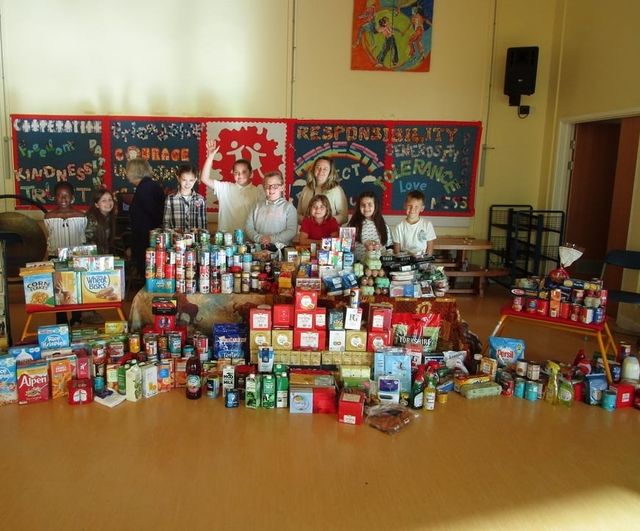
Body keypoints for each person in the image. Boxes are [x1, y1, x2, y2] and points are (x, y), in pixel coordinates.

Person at [44, 181, 86, 326]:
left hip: (75, 257)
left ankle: (76, 318)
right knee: (59, 289)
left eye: (66, 196)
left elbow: (82, 238)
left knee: (75, 288)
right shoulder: (49, 217)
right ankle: (61, 320)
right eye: (59, 196)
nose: (63, 200)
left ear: (72, 197)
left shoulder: (81, 217)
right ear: (55, 197)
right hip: (55, 258)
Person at [200, 139, 264, 233]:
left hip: (248, 240)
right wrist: (210, 156)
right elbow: (204, 178)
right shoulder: (225, 188)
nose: (240, 175)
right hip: (225, 241)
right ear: (233, 173)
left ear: (251, 173)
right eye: (236, 172)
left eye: (244, 172)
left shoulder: (258, 193)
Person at [126, 158, 165, 276]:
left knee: (147, 274)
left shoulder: (145, 188)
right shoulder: (148, 186)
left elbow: (154, 214)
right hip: (148, 237)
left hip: (147, 240)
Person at [245, 170, 297, 249]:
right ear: (263, 187)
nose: (271, 189)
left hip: (282, 250)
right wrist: (259, 238)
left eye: (275, 186)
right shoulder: (256, 206)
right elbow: (248, 227)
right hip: (258, 249)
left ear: (282, 187)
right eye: (267, 186)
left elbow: (291, 231)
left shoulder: (289, 208)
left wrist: (271, 239)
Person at [296, 157, 349, 225]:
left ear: (330, 172)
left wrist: (324, 223)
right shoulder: (306, 189)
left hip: (329, 234)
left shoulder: (336, 190)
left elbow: (344, 217)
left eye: (325, 169)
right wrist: (309, 223)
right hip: (308, 233)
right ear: (313, 169)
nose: (321, 171)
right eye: (318, 167)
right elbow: (298, 215)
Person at [347, 191, 392, 261]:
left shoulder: (383, 226)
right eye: (363, 205)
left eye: (370, 204)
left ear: (375, 206)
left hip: (380, 264)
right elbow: (347, 248)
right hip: (361, 265)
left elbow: (389, 247)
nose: (366, 208)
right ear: (359, 207)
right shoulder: (353, 225)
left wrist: (389, 260)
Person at [162, 164, 207, 231]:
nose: (187, 183)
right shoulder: (170, 199)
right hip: (175, 239)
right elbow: (166, 224)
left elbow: (204, 225)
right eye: (184, 180)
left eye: (191, 180)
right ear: (178, 178)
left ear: (195, 180)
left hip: (195, 240)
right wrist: (173, 233)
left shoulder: (201, 199)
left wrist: (199, 231)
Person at [392, 190, 436, 255]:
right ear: (405, 205)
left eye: (416, 207)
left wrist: (426, 261)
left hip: (422, 261)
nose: (412, 209)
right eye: (410, 206)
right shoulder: (398, 227)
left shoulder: (427, 225)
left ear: (422, 208)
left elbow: (430, 247)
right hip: (405, 261)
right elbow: (397, 252)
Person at [85, 188, 117, 254]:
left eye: (110, 199)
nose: (108, 203)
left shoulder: (109, 217)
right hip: (93, 257)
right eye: (104, 201)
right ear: (96, 205)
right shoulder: (92, 219)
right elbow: (88, 242)